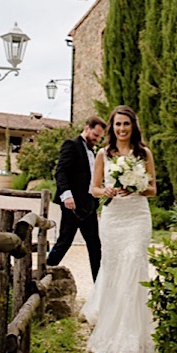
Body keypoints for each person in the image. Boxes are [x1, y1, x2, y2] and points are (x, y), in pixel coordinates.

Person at [81, 105, 157, 353]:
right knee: (114, 270)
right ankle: (114, 333)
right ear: (112, 128)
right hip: (114, 219)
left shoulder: (143, 152)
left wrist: (137, 185)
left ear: (133, 125)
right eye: (117, 124)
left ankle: (133, 340)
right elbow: (94, 188)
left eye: (126, 124)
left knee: (134, 264)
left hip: (137, 216)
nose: (122, 128)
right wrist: (108, 192)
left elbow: (153, 189)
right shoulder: (104, 153)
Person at [46, 115, 107, 281]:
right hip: (72, 204)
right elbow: (61, 172)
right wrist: (66, 196)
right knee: (64, 241)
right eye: (95, 135)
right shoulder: (71, 145)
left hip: (89, 205)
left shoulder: (93, 152)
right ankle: (43, 273)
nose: (96, 140)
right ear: (87, 128)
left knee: (95, 245)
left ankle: (99, 286)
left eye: (99, 137)